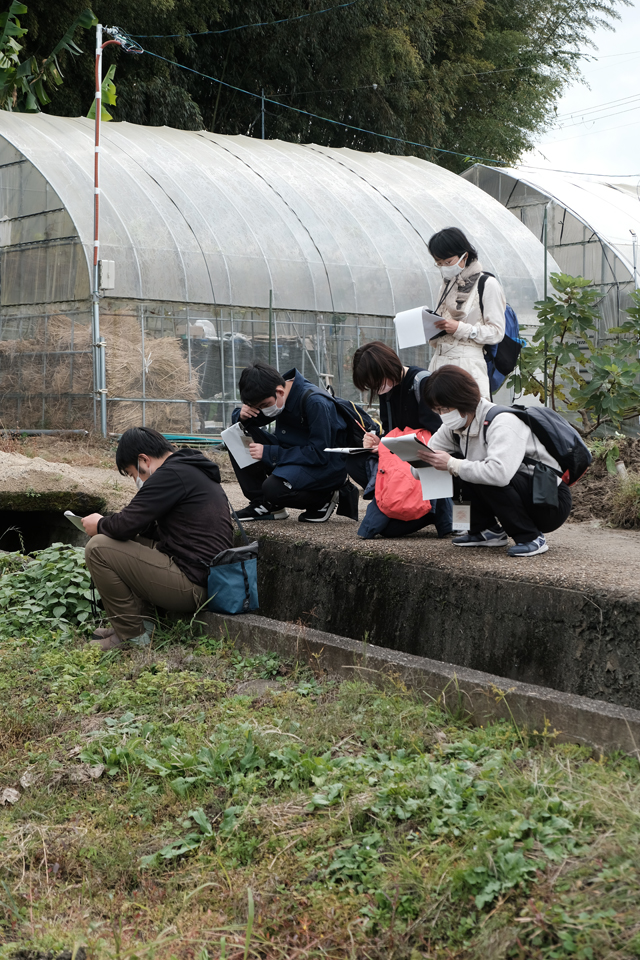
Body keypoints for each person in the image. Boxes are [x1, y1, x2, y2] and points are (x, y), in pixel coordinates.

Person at [82, 427, 233, 650]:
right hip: (204, 577)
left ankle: (132, 636)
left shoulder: (171, 474)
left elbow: (125, 524)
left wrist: (100, 524)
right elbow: (139, 527)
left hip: (194, 584)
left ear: (144, 460)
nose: (137, 480)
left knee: (98, 548)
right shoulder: (186, 470)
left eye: (133, 474)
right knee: (125, 542)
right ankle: (143, 624)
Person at [416, 365, 572, 557]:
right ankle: (484, 530)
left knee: (477, 470)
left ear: (462, 400)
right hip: (520, 492)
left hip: (548, 500)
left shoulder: (503, 421)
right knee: (459, 468)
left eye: (445, 409)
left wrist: (452, 464)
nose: (442, 415)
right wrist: (419, 460)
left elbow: (500, 474)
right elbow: (425, 464)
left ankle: (530, 537)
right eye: (437, 410)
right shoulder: (452, 427)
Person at [349, 341, 452, 539]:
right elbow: (391, 431)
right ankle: (401, 501)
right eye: (371, 385)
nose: (376, 388)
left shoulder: (422, 382)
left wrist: (396, 446)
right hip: (400, 461)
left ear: (388, 367)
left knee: (388, 529)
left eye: (376, 382)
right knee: (354, 461)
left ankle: (433, 508)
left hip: (426, 462)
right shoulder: (386, 390)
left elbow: (440, 434)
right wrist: (379, 442)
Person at [229, 361, 353, 523]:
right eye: (257, 407)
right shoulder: (276, 394)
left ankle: (324, 497)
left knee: (274, 488)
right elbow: (254, 419)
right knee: (236, 436)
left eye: (264, 405)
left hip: (323, 466)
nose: (263, 409)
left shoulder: (315, 402)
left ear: (280, 392)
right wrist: (241, 415)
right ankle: (265, 504)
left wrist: (269, 453)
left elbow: (320, 454)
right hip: (294, 454)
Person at [427, 227, 506, 399]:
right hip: (439, 363)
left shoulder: (487, 284)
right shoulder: (446, 285)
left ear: (464, 256)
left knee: (468, 413)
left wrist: (461, 329)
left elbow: (497, 332)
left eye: (448, 262)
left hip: (468, 364)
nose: (444, 267)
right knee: (439, 412)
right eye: (439, 263)